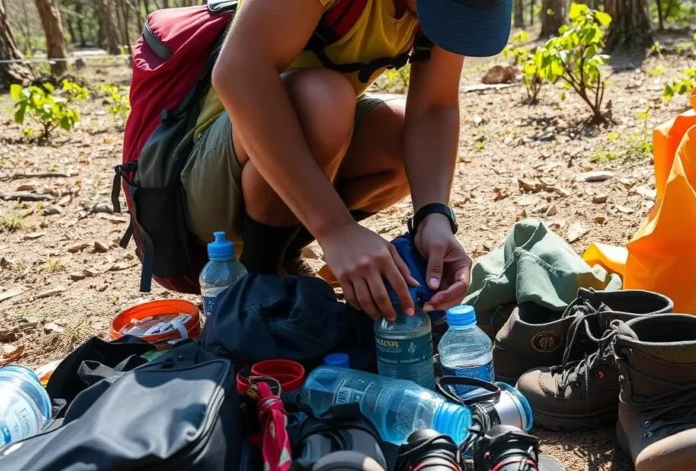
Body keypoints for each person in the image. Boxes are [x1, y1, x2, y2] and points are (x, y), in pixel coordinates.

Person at [180, 0, 512, 321]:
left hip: (292, 180)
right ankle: (259, 278)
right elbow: (238, 72)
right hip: (206, 189)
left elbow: (433, 107)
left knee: (394, 132)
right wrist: (336, 229)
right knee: (324, 99)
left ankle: (284, 254)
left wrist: (434, 217)